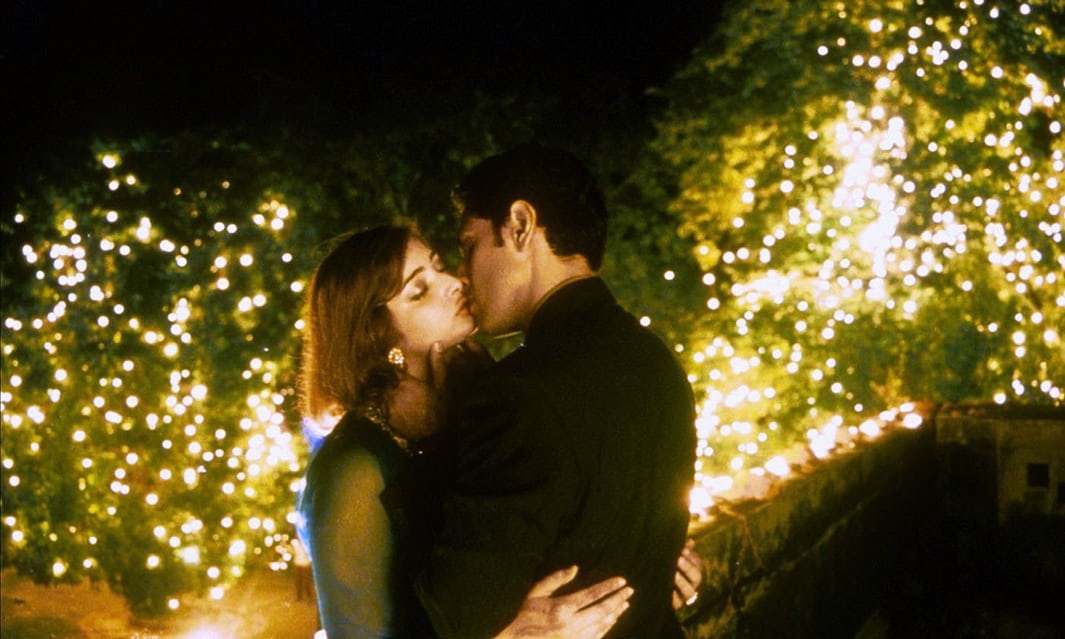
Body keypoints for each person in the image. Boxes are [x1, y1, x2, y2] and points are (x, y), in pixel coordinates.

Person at [297, 225, 639, 638]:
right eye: (419, 291)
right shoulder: (353, 470)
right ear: (377, 334)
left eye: (439, 267)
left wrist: (649, 568)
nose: (454, 283)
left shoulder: (480, 404)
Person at [414, 144, 697, 637]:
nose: (464, 273)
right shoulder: (658, 362)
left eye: (469, 245)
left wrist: (436, 436)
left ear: (520, 226)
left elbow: (460, 614)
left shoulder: (518, 393)